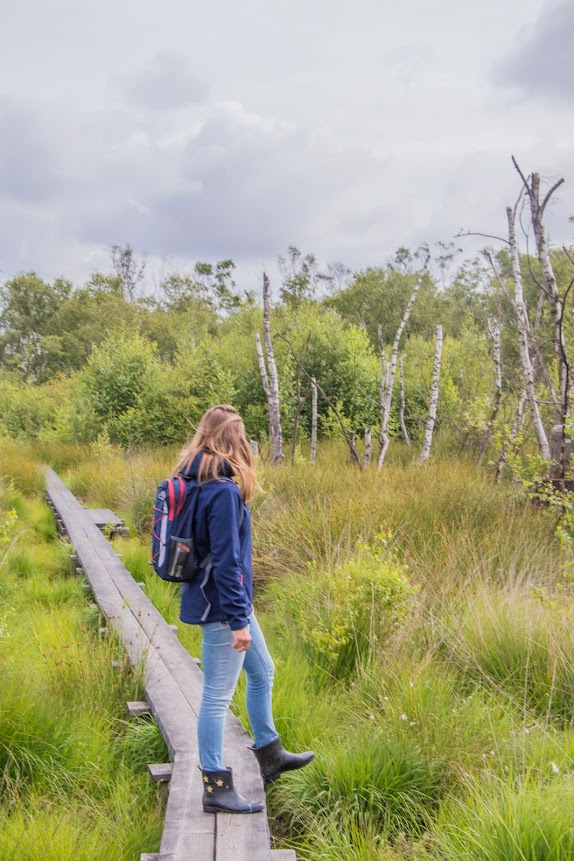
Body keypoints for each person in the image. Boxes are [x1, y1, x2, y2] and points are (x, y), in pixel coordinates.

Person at [176, 404, 314, 814]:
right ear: (232, 440)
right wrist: (238, 620)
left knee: (263, 670)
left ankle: (270, 754)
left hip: (228, 601)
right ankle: (216, 786)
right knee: (217, 696)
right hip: (224, 607)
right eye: (242, 438)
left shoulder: (197, 479)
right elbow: (225, 560)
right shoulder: (219, 490)